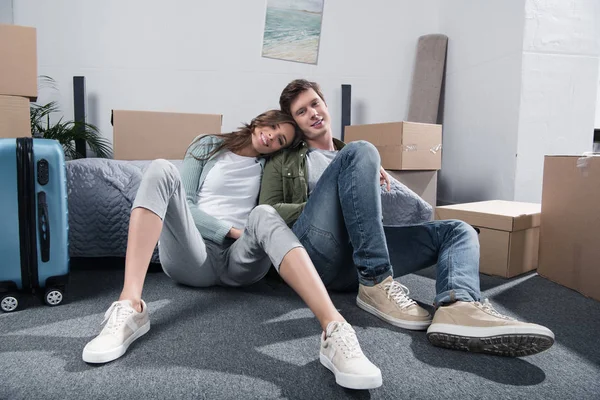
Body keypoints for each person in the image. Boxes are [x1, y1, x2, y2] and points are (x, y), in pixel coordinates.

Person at [82, 110, 382, 390]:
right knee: (161, 169)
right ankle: (130, 307)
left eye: (281, 140)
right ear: (261, 120)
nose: (272, 137)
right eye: (274, 127)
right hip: (194, 255)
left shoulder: (272, 166)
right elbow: (186, 203)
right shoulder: (207, 145)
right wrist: (230, 231)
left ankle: (335, 329)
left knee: (265, 213)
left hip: (242, 261)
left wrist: (367, 167)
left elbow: (321, 163)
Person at [259, 80, 555, 357]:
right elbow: (269, 211)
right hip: (317, 255)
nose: (312, 113)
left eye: (315, 104)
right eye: (301, 111)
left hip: (355, 261)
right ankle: (377, 283)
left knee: (459, 230)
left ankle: (459, 306)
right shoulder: (286, 159)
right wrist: (342, 186)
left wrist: (364, 173)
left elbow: (400, 211)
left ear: (324, 104)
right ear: (294, 122)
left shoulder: (353, 155)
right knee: (363, 147)